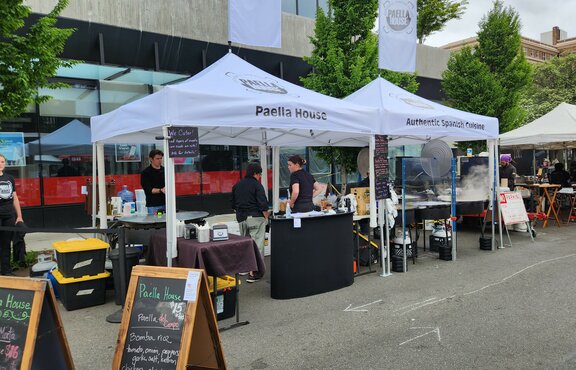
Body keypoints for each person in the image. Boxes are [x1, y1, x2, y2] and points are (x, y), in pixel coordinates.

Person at [231, 162, 269, 283]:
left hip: (241, 218)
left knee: (245, 245)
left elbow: (232, 204)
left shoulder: (237, 185)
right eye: (260, 174)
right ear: (255, 174)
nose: (260, 177)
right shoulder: (257, 186)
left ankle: (243, 269)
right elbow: (263, 205)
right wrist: (266, 218)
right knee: (257, 245)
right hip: (255, 218)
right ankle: (254, 273)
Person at [0, 154, 23, 275]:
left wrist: (19, 216)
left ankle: (6, 271)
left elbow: (15, 198)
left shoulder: (10, 178)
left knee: (6, 244)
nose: (1, 164)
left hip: (9, 215)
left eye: (3, 162)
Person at [140, 149, 166, 215]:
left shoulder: (165, 170)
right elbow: (148, 189)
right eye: (157, 158)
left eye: (161, 158)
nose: (160, 160)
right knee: (155, 223)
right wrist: (161, 190)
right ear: (151, 159)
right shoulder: (146, 173)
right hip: (153, 204)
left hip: (166, 203)